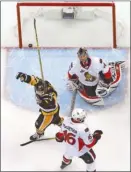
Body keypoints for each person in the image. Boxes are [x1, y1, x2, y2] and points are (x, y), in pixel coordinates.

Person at [16, 72, 64, 141]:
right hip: (52, 111)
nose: (39, 94)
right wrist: (25, 77)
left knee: (38, 125)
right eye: (38, 91)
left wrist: (46, 100)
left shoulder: (50, 96)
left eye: (41, 92)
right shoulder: (41, 84)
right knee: (56, 119)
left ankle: (39, 134)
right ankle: (61, 123)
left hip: (49, 114)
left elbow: (53, 99)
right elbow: (33, 80)